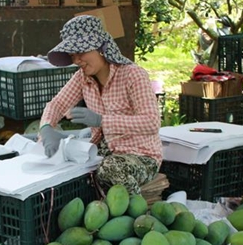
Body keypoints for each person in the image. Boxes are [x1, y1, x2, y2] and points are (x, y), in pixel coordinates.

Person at [38, 15, 162, 195]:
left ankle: (137, 212)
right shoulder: (82, 77)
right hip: (104, 152)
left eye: (81, 52)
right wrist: (47, 127)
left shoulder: (133, 75)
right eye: (73, 55)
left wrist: (102, 120)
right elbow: (57, 104)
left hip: (141, 155)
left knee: (110, 167)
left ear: (101, 48)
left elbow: (151, 122)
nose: (77, 60)